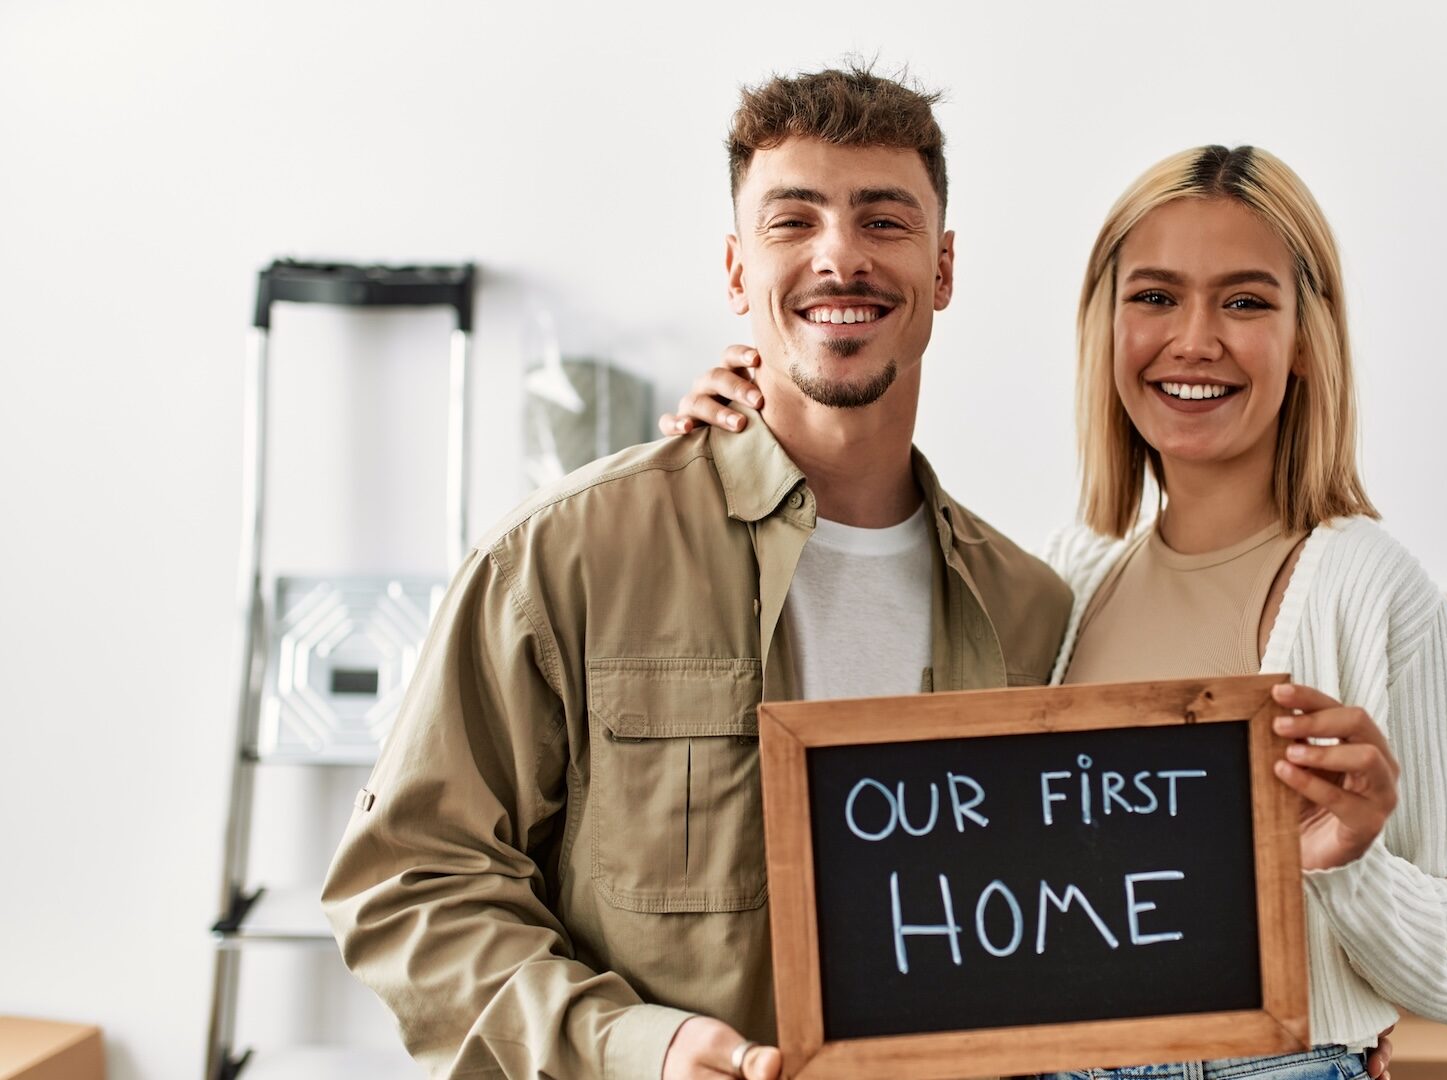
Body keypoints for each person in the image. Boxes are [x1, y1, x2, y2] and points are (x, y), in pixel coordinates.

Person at [664, 145, 1447, 1080]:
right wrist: (745, 432)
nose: (1195, 340)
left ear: (1309, 339)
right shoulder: (1069, 580)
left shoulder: (1372, 589)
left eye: (1245, 301)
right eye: (1153, 297)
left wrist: (1347, 862)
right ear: (1106, 329)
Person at [321, 66, 1073, 1080]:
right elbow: (408, 880)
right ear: (735, 271)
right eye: (792, 221)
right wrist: (641, 1045)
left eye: (883, 221)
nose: (839, 255)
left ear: (942, 271)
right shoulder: (570, 553)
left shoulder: (1030, 607)